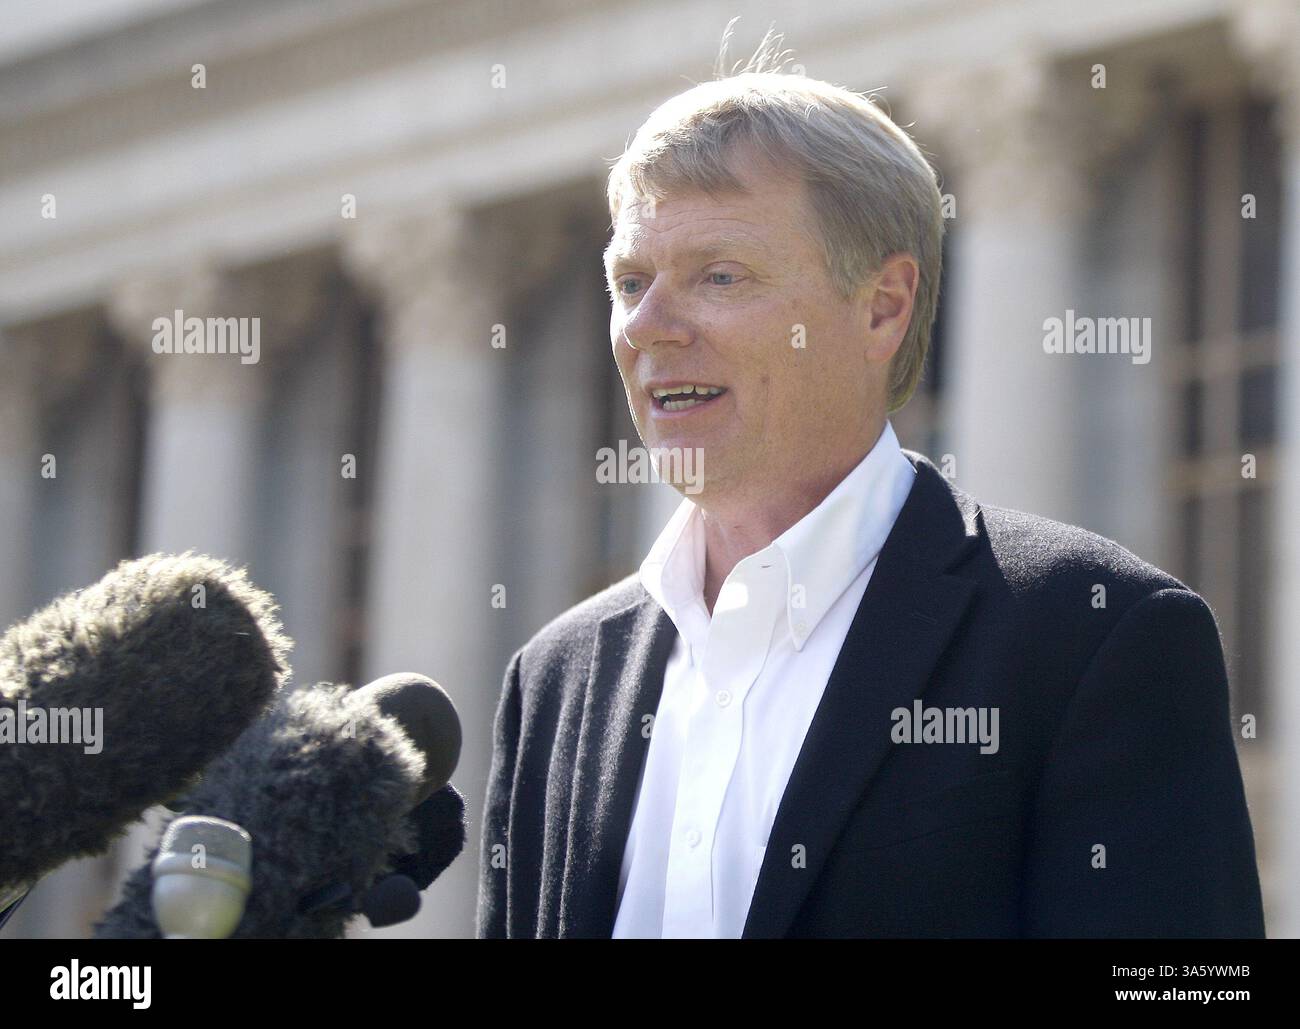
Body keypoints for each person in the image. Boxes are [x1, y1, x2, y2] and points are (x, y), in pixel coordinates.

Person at [476, 44, 1265, 939]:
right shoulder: (552, 681)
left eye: (718, 276)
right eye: (629, 282)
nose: (647, 327)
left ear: (883, 307)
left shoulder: (1095, 638)